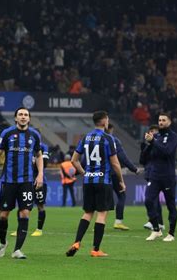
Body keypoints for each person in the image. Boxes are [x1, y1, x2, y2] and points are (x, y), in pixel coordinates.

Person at [65, 111, 125, 258]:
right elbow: (115, 163)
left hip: (88, 181)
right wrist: (121, 180)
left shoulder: (85, 138)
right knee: (102, 214)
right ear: (104, 121)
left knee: (87, 213)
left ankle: (77, 242)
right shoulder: (108, 139)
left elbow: (74, 160)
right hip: (103, 181)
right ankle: (96, 249)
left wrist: (84, 172)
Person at [0, 107, 44, 259]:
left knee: (25, 213)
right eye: (20, 114)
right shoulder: (7, 133)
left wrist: (40, 174)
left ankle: (17, 250)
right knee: (3, 216)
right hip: (9, 181)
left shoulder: (34, 135)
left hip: (26, 181)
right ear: (15, 118)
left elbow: (39, 155)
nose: (23, 117)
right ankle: (2, 242)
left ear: (29, 118)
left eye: (26, 115)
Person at [143, 113, 177, 242]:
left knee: (170, 205)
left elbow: (167, 151)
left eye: (164, 120)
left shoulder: (173, 136)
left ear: (169, 122)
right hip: (155, 175)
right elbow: (146, 157)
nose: (161, 122)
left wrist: (153, 142)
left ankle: (171, 233)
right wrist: (148, 144)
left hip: (167, 176)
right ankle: (156, 229)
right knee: (148, 200)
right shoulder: (156, 136)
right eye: (159, 120)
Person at [11, 141, 49, 237]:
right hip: (26, 180)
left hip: (39, 180)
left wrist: (33, 162)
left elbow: (45, 163)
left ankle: (39, 229)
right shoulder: (24, 146)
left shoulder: (43, 147)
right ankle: (20, 229)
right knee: (22, 205)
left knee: (40, 205)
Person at [106, 123, 140, 230]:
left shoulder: (96, 140)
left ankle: (98, 223)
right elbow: (123, 158)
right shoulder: (114, 141)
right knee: (121, 196)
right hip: (113, 173)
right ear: (111, 129)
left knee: (104, 199)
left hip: (100, 174)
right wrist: (134, 169)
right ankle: (118, 222)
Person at [140, 125, 164, 231]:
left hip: (160, 173)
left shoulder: (162, 145)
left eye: (155, 132)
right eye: (152, 132)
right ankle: (158, 222)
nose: (153, 134)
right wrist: (148, 145)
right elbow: (142, 160)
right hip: (150, 173)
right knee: (154, 199)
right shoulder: (146, 145)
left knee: (153, 199)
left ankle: (155, 221)